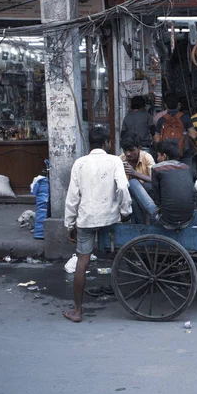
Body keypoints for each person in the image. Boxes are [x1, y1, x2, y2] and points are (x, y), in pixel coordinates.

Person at [63, 127, 132, 323]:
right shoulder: (115, 161)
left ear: (89, 145)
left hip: (86, 219)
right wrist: (125, 212)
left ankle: (77, 310)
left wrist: (70, 225)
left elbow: (72, 198)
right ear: (107, 143)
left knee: (82, 262)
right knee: (116, 254)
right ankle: (120, 292)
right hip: (110, 218)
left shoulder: (80, 163)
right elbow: (123, 188)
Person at [142, 140, 197, 229]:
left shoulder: (157, 168)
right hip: (188, 220)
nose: (157, 158)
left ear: (164, 156)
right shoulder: (187, 168)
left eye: (158, 155)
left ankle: (145, 226)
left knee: (134, 184)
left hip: (167, 221)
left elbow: (157, 198)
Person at [119, 133, 155, 224]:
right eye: (125, 150)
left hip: (147, 194)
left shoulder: (146, 157)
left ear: (139, 148)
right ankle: (142, 226)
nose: (128, 154)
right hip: (128, 196)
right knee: (133, 199)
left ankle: (141, 226)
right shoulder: (120, 160)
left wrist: (134, 173)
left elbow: (154, 180)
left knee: (139, 185)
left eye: (131, 150)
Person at [154, 93, 197, 168]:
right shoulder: (185, 117)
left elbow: (156, 139)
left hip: (167, 155)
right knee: (187, 174)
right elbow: (193, 136)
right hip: (184, 153)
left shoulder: (162, 120)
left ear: (165, 105)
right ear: (178, 104)